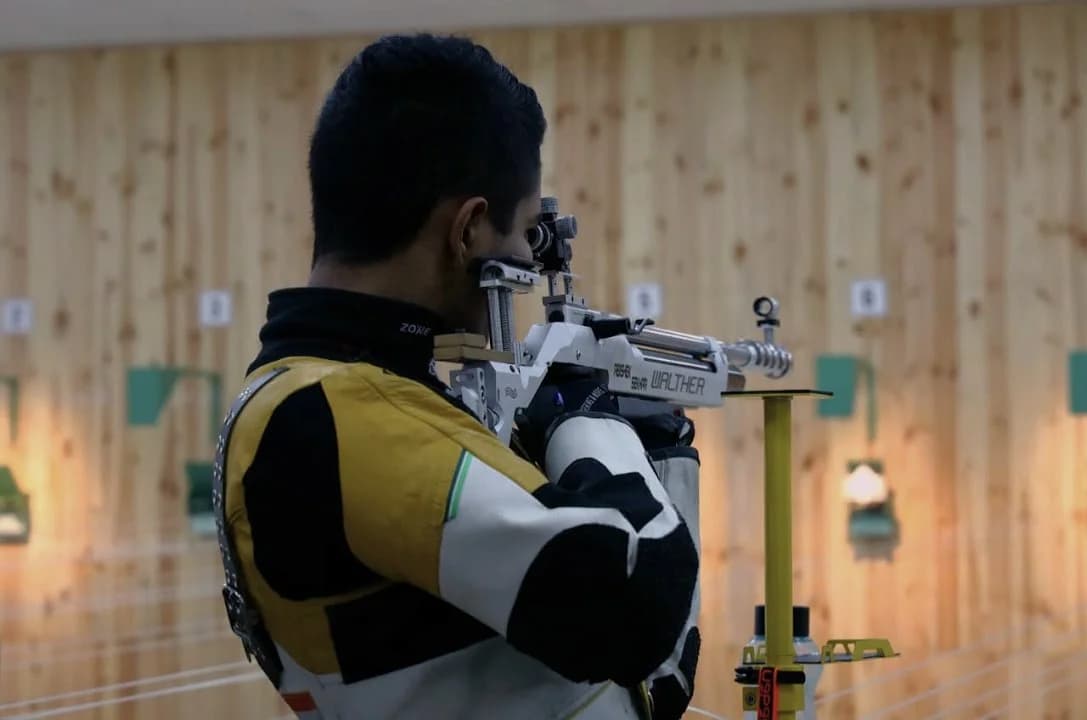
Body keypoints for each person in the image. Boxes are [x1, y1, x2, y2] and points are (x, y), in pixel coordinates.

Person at [214, 32, 703, 720]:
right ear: (468, 229)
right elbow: (630, 599)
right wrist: (588, 422)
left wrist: (648, 449)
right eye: (524, 232)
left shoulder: (344, 397)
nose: (527, 265)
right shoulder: (330, 413)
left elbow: (629, 656)